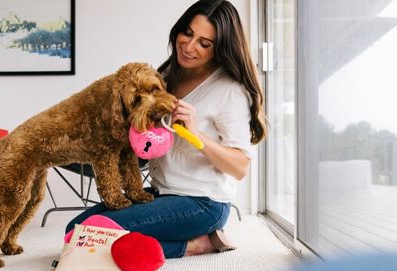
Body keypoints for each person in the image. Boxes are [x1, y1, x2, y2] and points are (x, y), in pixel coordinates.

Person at [65, 0, 267, 258]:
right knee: (75, 231)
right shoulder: (168, 75)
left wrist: (196, 134)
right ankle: (187, 240)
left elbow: (240, 167)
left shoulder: (230, 90)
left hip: (202, 204)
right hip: (161, 194)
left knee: (90, 237)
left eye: (204, 44)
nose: (189, 46)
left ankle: (194, 245)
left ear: (220, 49)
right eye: (188, 33)